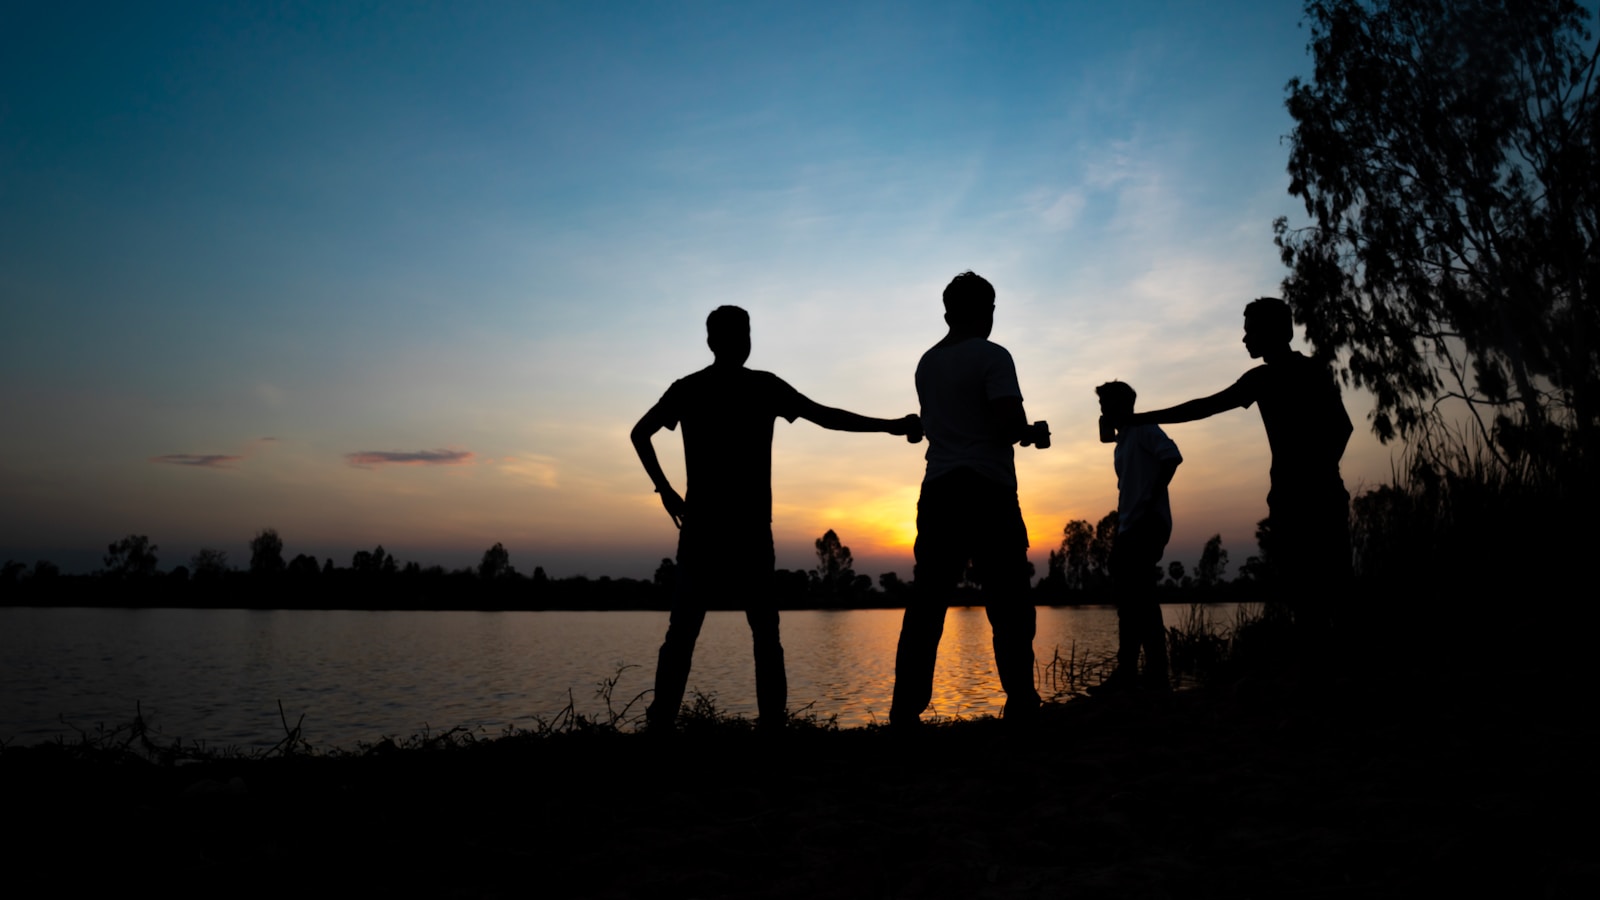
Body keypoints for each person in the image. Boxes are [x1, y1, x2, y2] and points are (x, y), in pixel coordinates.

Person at [632, 305, 921, 730]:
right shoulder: (739, 387)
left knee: (703, 630)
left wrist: (668, 492)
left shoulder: (702, 388)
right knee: (753, 631)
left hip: (718, 526)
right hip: (730, 527)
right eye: (737, 336)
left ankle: (673, 724)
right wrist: (893, 426)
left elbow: (641, 434)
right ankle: (765, 725)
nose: (742, 343)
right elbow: (826, 417)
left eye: (745, 335)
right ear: (714, 342)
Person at [1109, 297, 1353, 622]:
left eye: (1250, 331)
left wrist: (1135, 419)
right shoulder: (1293, 373)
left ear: (1272, 332)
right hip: (1308, 495)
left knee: (1316, 595)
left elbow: (1201, 408)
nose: (1244, 339)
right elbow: (1343, 428)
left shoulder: (1272, 377)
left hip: (1303, 498)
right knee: (1318, 595)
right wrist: (1320, 470)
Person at [890, 271, 1048, 728]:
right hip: (987, 489)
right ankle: (1020, 700)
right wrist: (1033, 433)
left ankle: (905, 710)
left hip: (938, 489)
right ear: (989, 310)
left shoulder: (926, 362)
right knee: (1009, 600)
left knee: (927, 603)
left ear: (947, 312)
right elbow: (1008, 424)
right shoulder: (994, 356)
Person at [1094, 380, 1181, 693]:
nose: (1103, 412)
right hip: (1129, 526)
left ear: (1123, 406)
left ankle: (1153, 674)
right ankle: (1131, 672)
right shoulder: (1124, 439)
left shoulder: (1144, 427)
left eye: (1107, 406)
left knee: (1140, 597)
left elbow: (1171, 456)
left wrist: (1150, 501)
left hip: (1147, 523)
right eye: (1102, 406)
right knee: (1129, 600)